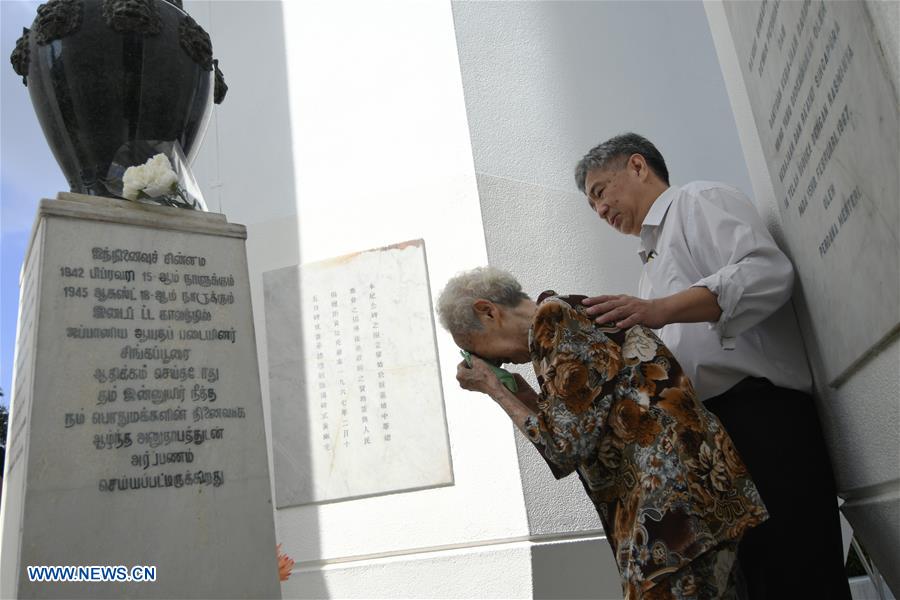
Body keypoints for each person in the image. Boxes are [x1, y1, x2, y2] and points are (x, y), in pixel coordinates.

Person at [574, 133, 851, 599]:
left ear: (638, 166)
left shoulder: (696, 200)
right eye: (592, 206)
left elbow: (766, 273)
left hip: (762, 417)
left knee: (799, 572)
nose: (600, 210)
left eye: (600, 191)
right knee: (757, 579)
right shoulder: (650, 266)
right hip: (714, 437)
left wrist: (657, 310)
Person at [437, 267, 768, 600]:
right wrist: (524, 397)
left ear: (488, 310)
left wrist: (496, 390)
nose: (499, 364)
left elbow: (563, 450)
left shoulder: (553, 322)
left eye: (477, 351)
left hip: (670, 513)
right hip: (687, 505)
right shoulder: (564, 322)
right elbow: (582, 424)